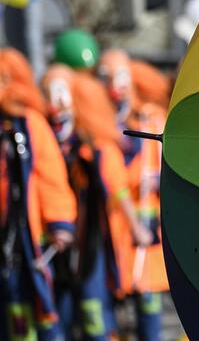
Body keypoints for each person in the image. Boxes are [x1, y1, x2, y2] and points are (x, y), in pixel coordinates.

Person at [41, 66, 153, 340]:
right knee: (62, 314)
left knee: (95, 312)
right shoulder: (46, 142)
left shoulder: (97, 147)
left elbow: (117, 189)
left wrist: (137, 227)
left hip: (93, 243)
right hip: (60, 246)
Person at [0, 49, 77, 341]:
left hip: (24, 241)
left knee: (34, 310)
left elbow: (50, 176)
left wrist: (59, 222)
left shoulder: (30, 124)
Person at [97, 50, 170, 341]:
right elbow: (113, 179)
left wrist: (161, 179)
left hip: (146, 224)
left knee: (148, 296)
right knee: (115, 299)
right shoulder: (100, 126)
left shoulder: (149, 119)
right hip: (113, 227)